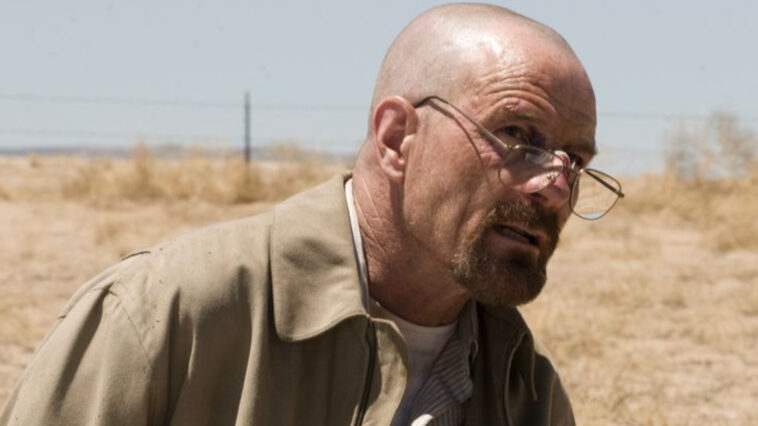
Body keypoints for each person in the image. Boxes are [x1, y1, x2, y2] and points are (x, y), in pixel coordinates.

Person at [1, 3, 624, 426]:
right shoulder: (167, 317)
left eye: (575, 160)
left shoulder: (526, 389)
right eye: (516, 135)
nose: (555, 186)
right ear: (396, 138)